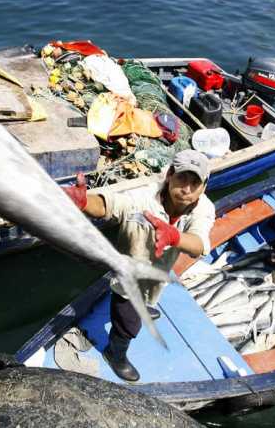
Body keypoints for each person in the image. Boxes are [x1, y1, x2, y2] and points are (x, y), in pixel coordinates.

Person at [64, 149, 215, 382]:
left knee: (152, 295)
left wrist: (174, 237)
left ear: (203, 187)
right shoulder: (142, 198)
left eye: (195, 183)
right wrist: (84, 201)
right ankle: (115, 353)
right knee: (129, 322)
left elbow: (199, 244)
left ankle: (146, 304)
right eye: (183, 178)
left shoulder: (204, 208)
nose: (187, 189)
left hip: (159, 273)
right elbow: (109, 204)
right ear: (170, 175)